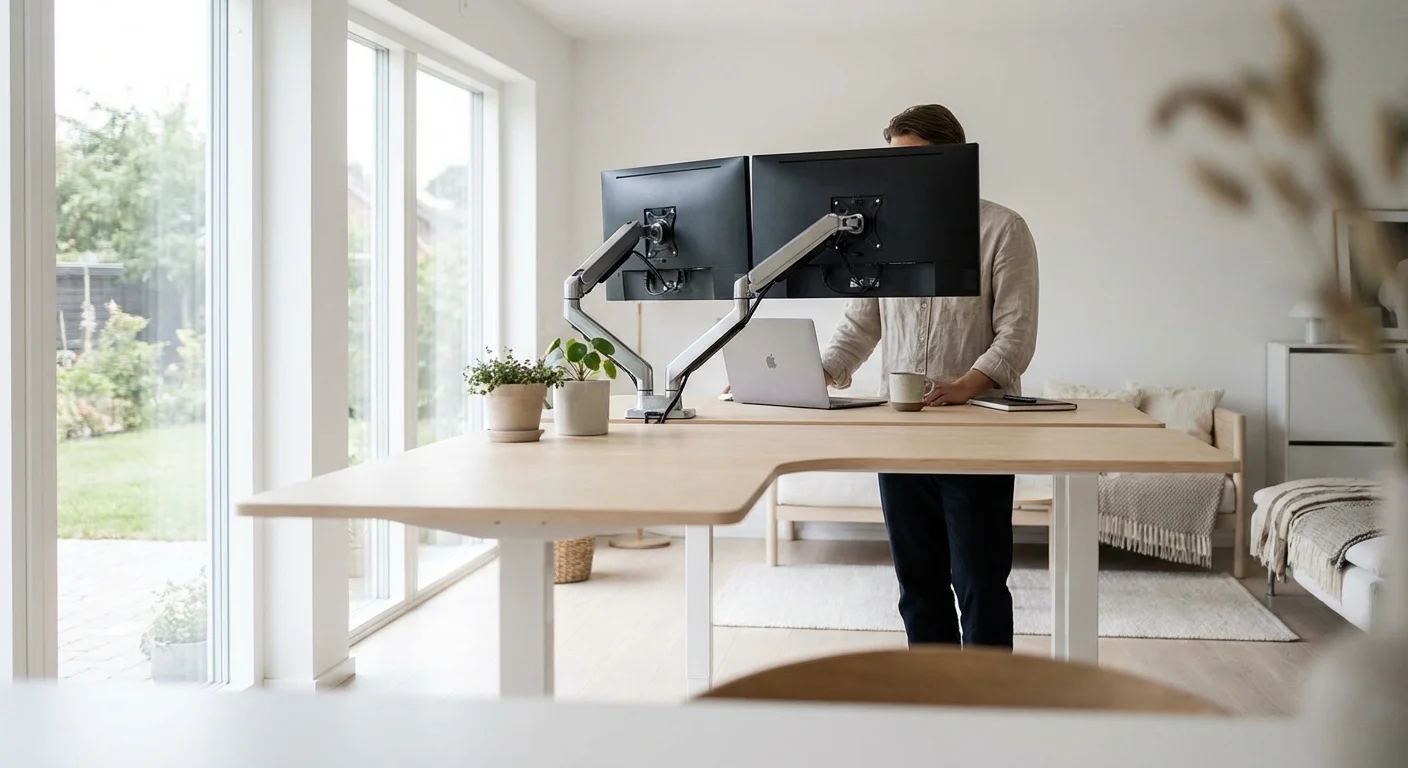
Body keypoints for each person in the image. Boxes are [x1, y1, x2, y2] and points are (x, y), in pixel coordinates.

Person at [821, 104, 1039, 648]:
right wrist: (820, 371)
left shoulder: (1002, 229)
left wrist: (964, 386)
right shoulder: (883, 237)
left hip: (976, 436)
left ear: (954, 161)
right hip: (900, 435)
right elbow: (860, 323)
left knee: (980, 583)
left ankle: (986, 708)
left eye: (913, 160)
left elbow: (1017, 334)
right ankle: (933, 700)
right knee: (917, 586)